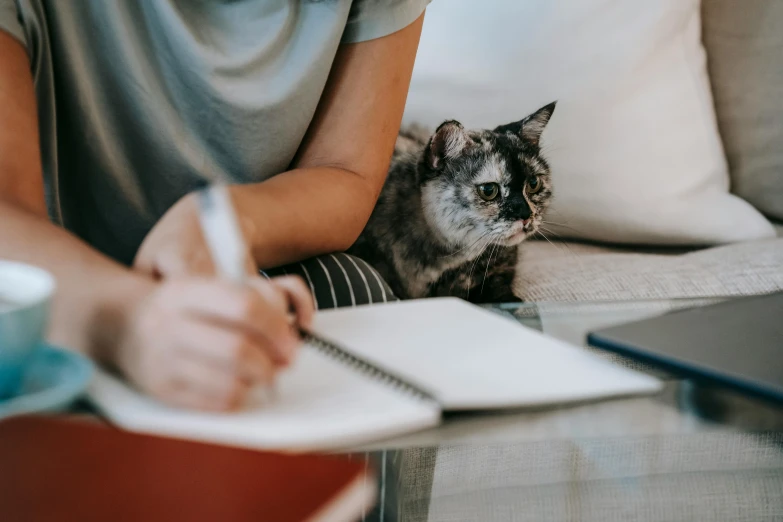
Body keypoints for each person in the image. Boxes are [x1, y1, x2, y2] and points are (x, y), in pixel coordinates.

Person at [0, 0, 427, 411]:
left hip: (248, 268)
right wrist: (125, 322)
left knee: (355, 288)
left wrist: (228, 219)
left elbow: (345, 171)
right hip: (55, 286)